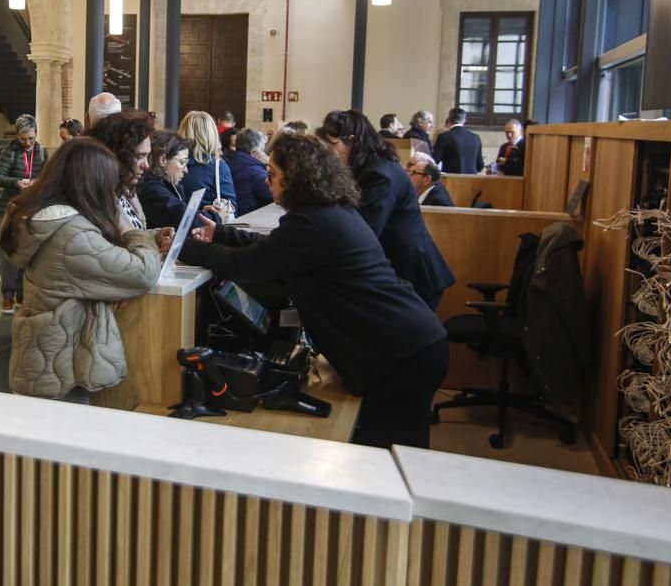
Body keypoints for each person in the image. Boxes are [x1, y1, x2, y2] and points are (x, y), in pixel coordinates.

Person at [176, 132, 449, 448]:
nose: (268, 182)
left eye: (273, 175)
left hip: (401, 351)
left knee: (388, 457)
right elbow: (273, 247)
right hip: (409, 341)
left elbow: (249, 264)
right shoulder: (326, 212)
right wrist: (220, 234)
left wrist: (187, 248)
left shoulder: (315, 221)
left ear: (296, 178)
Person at [0, 138, 162, 401]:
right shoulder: (70, 235)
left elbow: (101, 253)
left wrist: (150, 238)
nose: (112, 193)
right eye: (109, 183)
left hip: (51, 356)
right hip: (58, 368)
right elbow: (141, 273)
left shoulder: (51, 219)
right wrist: (132, 231)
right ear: (91, 183)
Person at [318, 110, 454, 311]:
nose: (329, 152)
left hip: (413, 272)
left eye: (333, 145)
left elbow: (364, 231)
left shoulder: (379, 174)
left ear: (352, 141)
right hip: (401, 268)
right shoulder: (371, 167)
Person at [0, 114, 47, 314]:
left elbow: (46, 174)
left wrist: (35, 183)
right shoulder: (10, 151)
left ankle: (22, 294)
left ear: (36, 134)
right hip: (10, 206)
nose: (27, 143)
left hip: (32, 206)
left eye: (31, 138)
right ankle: (7, 296)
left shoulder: (41, 152)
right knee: (8, 253)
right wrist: (16, 182)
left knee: (27, 252)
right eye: (23, 138)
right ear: (17, 135)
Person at [87, 109, 154, 230]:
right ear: (117, 154)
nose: (146, 165)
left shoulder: (125, 189)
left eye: (147, 156)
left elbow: (135, 233)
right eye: (139, 156)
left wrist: (155, 236)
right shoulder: (99, 201)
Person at [138, 129, 219, 230]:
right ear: (162, 160)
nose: (186, 170)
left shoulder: (161, 185)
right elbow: (184, 219)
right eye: (182, 162)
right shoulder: (152, 190)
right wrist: (216, 217)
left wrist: (200, 212)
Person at [179, 110, 237, 217]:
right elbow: (231, 207)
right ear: (211, 134)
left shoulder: (173, 164)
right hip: (206, 226)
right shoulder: (218, 167)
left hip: (174, 228)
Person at [224, 128, 273, 216]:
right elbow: (278, 194)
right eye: (262, 150)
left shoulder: (228, 160)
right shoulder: (254, 172)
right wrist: (271, 163)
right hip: (248, 220)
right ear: (253, 153)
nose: (265, 154)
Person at [433, 107, 484, 174]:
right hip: (471, 180)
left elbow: (435, 160)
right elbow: (480, 166)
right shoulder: (475, 138)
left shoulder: (444, 137)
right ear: (464, 120)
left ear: (449, 119)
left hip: (451, 179)